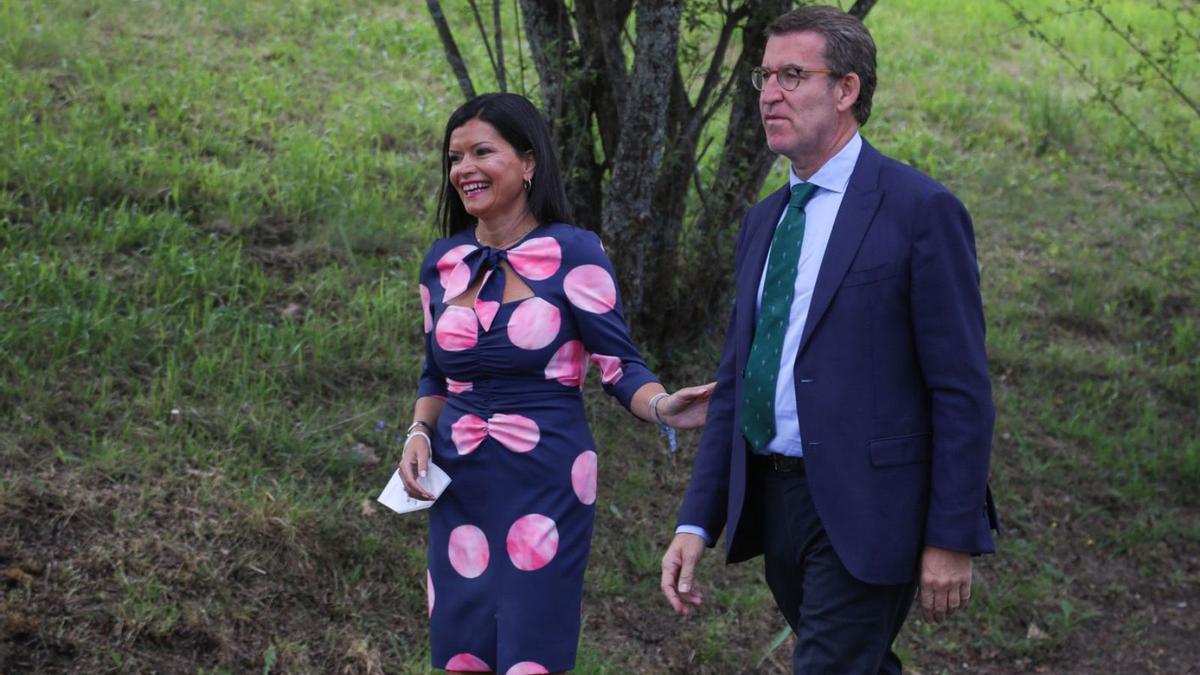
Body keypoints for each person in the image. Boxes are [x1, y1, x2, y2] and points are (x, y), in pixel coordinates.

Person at [659, 6, 998, 673]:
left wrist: (952, 533)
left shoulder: (919, 211)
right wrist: (695, 521)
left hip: (872, 508)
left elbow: (960, 387)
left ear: (846, 90)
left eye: (792, 74)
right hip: (776, 499)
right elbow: (738, 378)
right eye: (763, 76)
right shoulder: (763, 221)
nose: (769, 94)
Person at [398, 92, 713, 675]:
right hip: (459, 475)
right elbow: (435, 371)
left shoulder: (574, 252)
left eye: (482, 151)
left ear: (528, 162)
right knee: (460, 643)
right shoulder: (442, 261)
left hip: (546, 475)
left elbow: (619, 366)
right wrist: (419, 431)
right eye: (454, 156)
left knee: (529, 649)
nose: (464, 168)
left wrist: (666, 407)